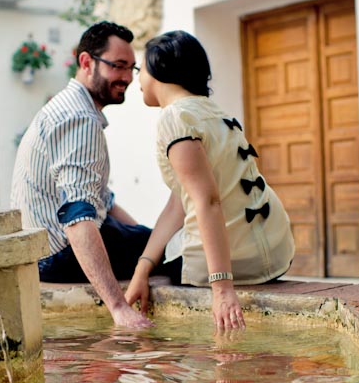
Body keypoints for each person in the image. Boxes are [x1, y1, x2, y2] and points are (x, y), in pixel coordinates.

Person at [125, 30, 295, 332]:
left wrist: (222, 289)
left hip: (228, 263)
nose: (138, 79)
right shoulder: (215, 112)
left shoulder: (174, 117)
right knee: (149, 252)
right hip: (272, 252)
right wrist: (143, 267)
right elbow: (181, 201)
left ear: (159, 68)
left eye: (141, 69)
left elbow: (207, 201)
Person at [11, 21, 153, 329]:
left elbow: (105, 203)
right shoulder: (79, 118)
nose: (127, 78)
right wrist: (118, 307)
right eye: (117, 66)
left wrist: (146, 242)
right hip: (58, 257)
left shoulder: (69, 108)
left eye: (132, 68)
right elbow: (78, 217)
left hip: (45, 253)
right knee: (175, 250)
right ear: (86, 62)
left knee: (154, 243)